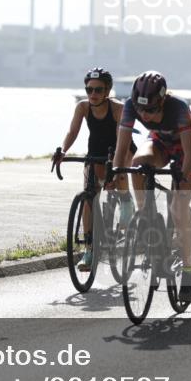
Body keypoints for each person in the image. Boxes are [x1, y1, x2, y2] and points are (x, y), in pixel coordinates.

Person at [112, 71, 191, 300]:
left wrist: (181, 180)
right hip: (160, 142)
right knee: (137, 163)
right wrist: (115, 172)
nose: (145, 114)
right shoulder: (131, 106)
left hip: (187, 148)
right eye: (141, 109)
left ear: (162, 101)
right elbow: (121, 147)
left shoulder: (179, 109)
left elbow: (190, 155)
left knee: (177, 206)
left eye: (151, 110)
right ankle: (145, 214)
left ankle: (189, 269)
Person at [53, 67, 139, 272]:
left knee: (118, 174)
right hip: (96, 152)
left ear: (107, 91)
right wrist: (63, 150)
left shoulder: (119, 109)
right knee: (88, 198)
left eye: (98, 90)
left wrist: (115, 169)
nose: (93, 94)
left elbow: (122, 142)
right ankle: (89, 250)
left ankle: (126, 200)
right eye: (89, 89)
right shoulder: (82, 107)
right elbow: (72, 131)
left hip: (121, 149)